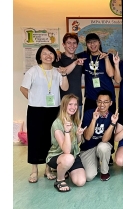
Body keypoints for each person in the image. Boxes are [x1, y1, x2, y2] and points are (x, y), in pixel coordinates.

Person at [20, 45, 69, 183]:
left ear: (54, 56)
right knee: (35, 139)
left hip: (53, 109)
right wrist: (33, 100)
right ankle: (34, 170)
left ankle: (48, 169)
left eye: (50, 53)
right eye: (44, 53)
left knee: (50, 140)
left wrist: (64, 74)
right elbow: (23, 88)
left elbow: (65, 87)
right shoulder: (33, 71)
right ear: (39, 56)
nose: (48, 56)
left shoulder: (57, 71)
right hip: (36, 110)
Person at [46, 94, 86, 192]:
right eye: (70, 104)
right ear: (64, 105)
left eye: (75, 104)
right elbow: (66, 150)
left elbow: (78, 142)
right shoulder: (57, 124)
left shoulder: (74, 120)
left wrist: (79, 134)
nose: (73, 107)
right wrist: (67, 131)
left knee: (80, 182)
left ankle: (66, 169)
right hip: (58, 156)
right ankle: (59, 179)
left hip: (73, 155)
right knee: (68, 158)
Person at [80, 90, 118, 181]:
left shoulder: (112, 117)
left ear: (111, 103)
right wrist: (93, 120)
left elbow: (105, 140)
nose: (102, 104)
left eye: (106, 102)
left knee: (103, 147)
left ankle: (104, 172)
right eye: (100, 101)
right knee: (89, 177)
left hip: (101, 145)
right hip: (88, 147)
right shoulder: (89, 114)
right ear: (96, 102)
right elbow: (87, 137)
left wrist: (113, 124)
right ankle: (95, 162)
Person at [78, 33, 116, 113]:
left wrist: (106, 59)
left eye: (94, 41)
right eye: (89, 42)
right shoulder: (83, 56)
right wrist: (58, 53)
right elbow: (69, 56)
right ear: (86, 44)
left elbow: (111, 74)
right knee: (88, 122)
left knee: (108, 123)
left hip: (107, 99)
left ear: (99, 42)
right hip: (91, 98)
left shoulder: (109, 56)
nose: (92, 44)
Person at [53, 33, 85, 112]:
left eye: (74, 43)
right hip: (62, 102)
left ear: (77, 45)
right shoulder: (58, 58)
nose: (72, 45)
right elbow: (63, 71)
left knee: (77, 124)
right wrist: (74, 63)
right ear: (63, 45)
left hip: (77, 102)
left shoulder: (80, 59)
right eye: (69, 43)